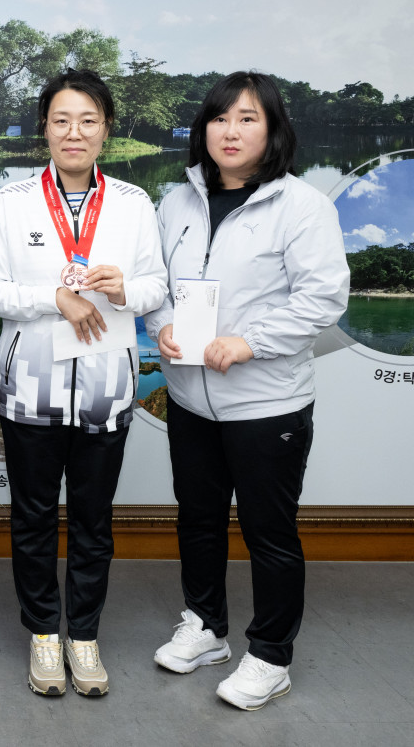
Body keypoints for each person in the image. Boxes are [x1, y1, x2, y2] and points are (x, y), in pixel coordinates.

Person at [147, 71, 349, 710]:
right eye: (219, 119)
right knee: (198, 520)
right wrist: (163, 327)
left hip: (267, 403)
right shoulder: (177, 201)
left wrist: (249, 341)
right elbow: (154, 284)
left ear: (273, 131)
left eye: (247, 119)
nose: (230, 132)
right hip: (189, 397)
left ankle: (270, 655)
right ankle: (205, 627)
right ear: (202, 129)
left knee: (269, 531)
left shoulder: (301, 205)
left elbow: (324, 298)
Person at [0, 69, 167, 698]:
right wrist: (54, 298)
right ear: (45, 130)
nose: (74, 132)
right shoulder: (11, 203)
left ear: (106, 130)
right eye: (61, 120)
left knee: (93, 519)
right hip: (31, 387)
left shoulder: (135, 205)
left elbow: (156, 287)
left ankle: (83, 634)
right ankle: (42, 634)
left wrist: (123, 289)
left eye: (87, 120)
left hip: (108, 387)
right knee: (31, 516)